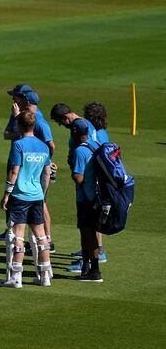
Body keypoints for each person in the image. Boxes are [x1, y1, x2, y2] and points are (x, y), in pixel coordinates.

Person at [0, 111, 52, 289]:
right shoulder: (44, 146)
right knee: (41, 236)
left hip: (20, 195)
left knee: (18, 236)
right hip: (37, 195)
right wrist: (42, 194)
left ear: (19, 126)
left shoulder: (19, 145)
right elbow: (47, 173)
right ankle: (45, 277)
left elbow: (14, 172)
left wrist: (6, 194)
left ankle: (16, 278)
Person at [0, 87, 57, 250]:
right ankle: (13, 231)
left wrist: (46, 161)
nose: (14, 101)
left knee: (40, 201)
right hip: (18, 160)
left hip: (31, 167)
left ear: (26, 100)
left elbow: (50, 144)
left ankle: (47, 239)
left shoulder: (38, 121)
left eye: (16, 97)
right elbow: (7, 134)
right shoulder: (19, 116)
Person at [68, 118, 104, 282]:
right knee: (88, 233)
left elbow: (78, 177)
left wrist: (72, 169)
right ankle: (87, 266)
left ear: (74, 132)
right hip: (98, 197)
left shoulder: (79, 151)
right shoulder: (96, 145)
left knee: (88, 233)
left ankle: (94, 270)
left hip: (86, 199)